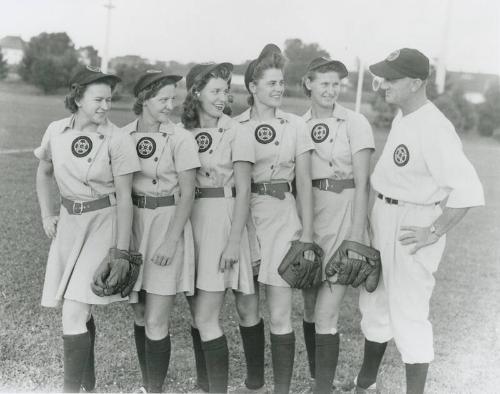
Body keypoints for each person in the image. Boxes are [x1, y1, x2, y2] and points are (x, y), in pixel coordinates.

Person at [352, 48, 485, 394]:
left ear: (415, 82)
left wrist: (434, 230)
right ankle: (365, 384)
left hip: (414, 222)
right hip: (384, 213)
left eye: (391, 78)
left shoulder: (435, 127)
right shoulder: (404, 117)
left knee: (409, 311)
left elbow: (468, 190)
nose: (382, 85)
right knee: (375, 302)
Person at [35, 66, 140, 392]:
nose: (105, 107)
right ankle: (88, 386)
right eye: (98, 99)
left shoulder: (117, 138)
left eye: (109, 100)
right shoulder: (56, 130)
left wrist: (120, 251)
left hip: (102, 224)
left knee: (74, 311)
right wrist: (46, 214)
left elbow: (125, 197)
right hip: (69, 225)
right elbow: (43, 172)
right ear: (78, 96)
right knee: (77, 306)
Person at [233, 44, 315, 394]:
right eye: (271, 83)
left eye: (281, 82)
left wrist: (308, 233)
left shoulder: (296, 125)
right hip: (244, 218)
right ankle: (254, 383)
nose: (279, 89)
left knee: (281, 311)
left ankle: (281, 389)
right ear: (252, 86)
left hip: (283, 217)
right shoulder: (234, 126)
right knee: (246, 308)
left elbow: (306, 184)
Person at [181, 62, 264, 393]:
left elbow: (244, 189)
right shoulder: (181, 131)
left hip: (223, 219)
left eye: (225, 91)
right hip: (190, 219)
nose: (222, 97)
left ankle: (228, 387)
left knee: (212, 315)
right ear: (195, 92)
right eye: (215, 90)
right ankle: (205, 386)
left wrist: (233, 243)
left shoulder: (236, 131)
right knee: (195, 311)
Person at [299, 57, 375, 393]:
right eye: (325, 83)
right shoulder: (298, 124)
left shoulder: (354, 122)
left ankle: (322, 390)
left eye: (336, 84)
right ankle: (320, 379)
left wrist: (357, 237)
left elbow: (363, 183)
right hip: (309, 218)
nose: (331, 90)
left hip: (344, 216)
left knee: (328, 309)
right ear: (308, 83)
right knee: (311, 306)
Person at [123, 70, 200, 393]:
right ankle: (147, 384)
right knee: (139, 313)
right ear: (143, 100)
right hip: (134, 227)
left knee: (156, 319)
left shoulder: (180, 137)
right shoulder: (122, 135)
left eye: (173, 98)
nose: (170, 105)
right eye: (162, 99)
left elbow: (188, 192)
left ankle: (155, 389)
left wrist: (171, 240)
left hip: (167, 224)